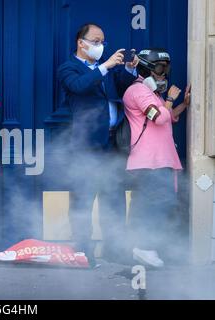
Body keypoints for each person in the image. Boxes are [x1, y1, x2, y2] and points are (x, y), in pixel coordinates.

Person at [57, 23, 139, 267]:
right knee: (83, 198)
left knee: (113, 197)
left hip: (112, 142)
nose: (100, 45)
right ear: (80, 43)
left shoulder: (107, 69)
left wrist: (128, 68)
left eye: (102, 40)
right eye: (95, 40)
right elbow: (79, 87)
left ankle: (115, 249)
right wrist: (105, 67)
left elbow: (122, 87)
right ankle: (82, 251)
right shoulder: (68, 68)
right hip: (87, 145)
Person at [123, 48, 191, 267]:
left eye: (166, 68)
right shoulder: (138, 92)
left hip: (160, 160)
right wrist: (170, 98)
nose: (164, 74)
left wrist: (183, 104)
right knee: (153, 205)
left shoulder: (153, 94)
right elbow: (159, 118)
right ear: (147, 69)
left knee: (158, 204)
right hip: (149, 160)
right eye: (161, 68)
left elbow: (169, 116)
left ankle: (145, 247)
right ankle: (143, 248)